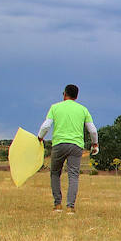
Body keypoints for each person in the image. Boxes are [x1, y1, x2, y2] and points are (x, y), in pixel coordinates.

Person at [37, 83, 98, 214]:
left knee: (55, 173)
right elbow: (92, 130)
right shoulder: (83, 110)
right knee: (73, 175)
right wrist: (95, 144)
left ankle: (57, 204)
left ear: (64, 94)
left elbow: (46, 126)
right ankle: (70, 207)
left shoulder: (55, 107)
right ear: (76, 96)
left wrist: (40, 137)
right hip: (76, 146)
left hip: (59, 144)